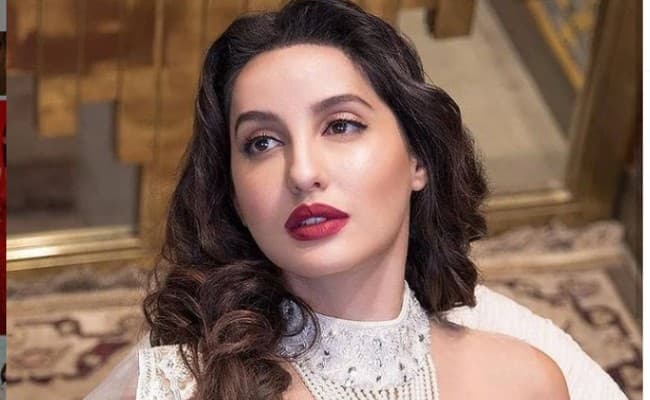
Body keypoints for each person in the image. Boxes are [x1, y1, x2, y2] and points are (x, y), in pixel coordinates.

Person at [87, 0, 628, 399]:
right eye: (263, 142)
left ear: (418, 158)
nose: (303, 172)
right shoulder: (175, 387)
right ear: (233, 193)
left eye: (341, 125)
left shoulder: (524, 382)